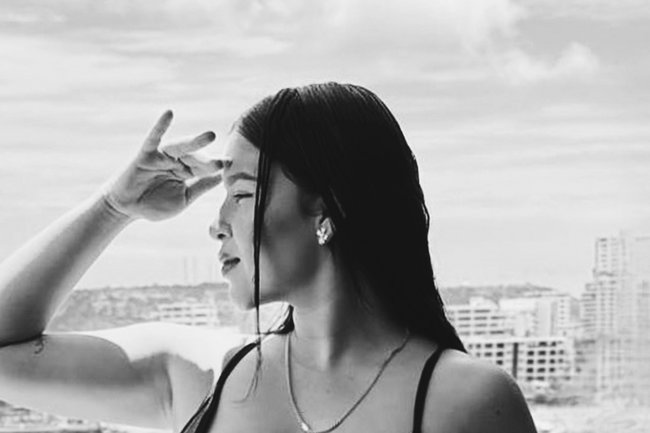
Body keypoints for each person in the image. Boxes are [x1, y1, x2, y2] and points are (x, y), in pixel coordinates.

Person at [0, 82, 537, 433]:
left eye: (240, 193)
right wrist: (112, 207)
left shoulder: (465, 401)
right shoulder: (203, 376)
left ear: (327, 208)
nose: (216, 224)